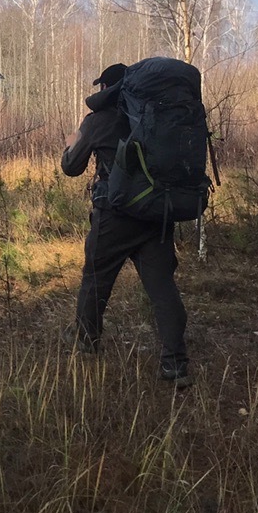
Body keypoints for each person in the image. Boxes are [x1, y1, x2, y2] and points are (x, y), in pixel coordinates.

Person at [61, 62, 192, 389]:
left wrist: (72, 141)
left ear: (106, 89)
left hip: (115, 217)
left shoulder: (98, 121)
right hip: (155, 217)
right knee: (162, 288)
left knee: (95, 279)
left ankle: (87, 345)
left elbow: (71, 167)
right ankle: (175, 364)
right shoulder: (157, 119)